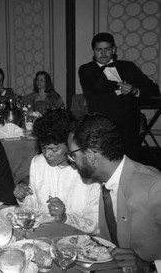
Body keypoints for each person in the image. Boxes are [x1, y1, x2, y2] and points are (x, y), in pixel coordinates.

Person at [68, 113, 161, 270]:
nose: (72, 163)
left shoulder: (153, 187)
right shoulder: (105, 184)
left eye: (73, 156)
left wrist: (151, 267)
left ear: (90, 156)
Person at [13, 109, 100, 234]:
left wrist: (64, 218)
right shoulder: (38, 163)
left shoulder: (87, 171)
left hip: (77, 239)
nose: (47, 154)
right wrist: (22, 196)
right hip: (43, 235)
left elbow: (95, 224)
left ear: (70, 144)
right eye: (43, 148)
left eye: (53, 150)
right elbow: (33, 210)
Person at [79, 32, 159, 160]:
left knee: (129, 164)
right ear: (93, 51)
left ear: (114, 50)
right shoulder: (86, 69)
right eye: (99, 50)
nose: (103, 54)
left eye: (107, 49)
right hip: (101, 127)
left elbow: (153, 89)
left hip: (129, 126)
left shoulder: (128, 67)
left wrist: (134, 90)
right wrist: (121, 86)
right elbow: (99, 86)